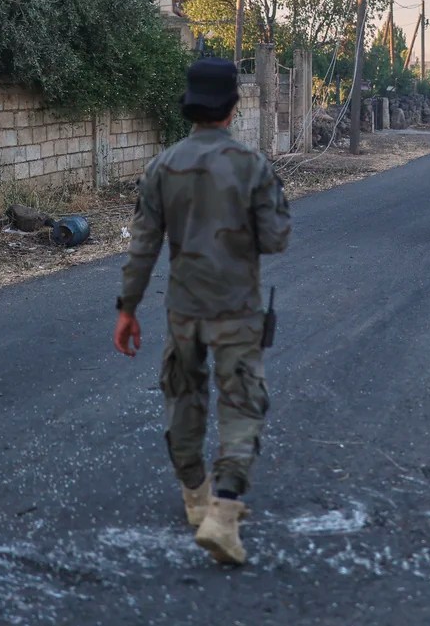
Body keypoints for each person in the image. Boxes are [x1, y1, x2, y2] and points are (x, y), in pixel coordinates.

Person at [113, 57, 291, 565]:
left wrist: (127, 309)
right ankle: (224, 509)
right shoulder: (253, 166)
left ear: (190, 109)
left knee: (182, 398)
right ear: (234, 109)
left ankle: (195, 496)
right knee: (241, 403)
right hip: (236, 308)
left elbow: (142, 248)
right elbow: (277, 240)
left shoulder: (161, 166)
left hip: (183, 310)